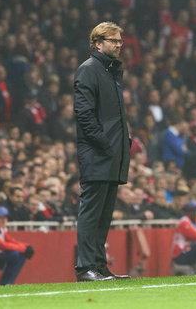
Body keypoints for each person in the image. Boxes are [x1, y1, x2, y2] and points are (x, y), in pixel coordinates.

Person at [73, 22, 131, 282]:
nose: (119, 45)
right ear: (97, 43)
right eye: (113, 40)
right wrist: (106, 144)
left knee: (103, 216)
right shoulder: (89, 70)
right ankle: (85, 268)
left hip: (111, 155)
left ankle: (98, 266)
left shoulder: (109, 72)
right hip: (98, 154)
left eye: (120, 41)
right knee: (91, 214)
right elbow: (83, 114)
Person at [0, 206, 34, 285]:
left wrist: (26, 246)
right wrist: (24, 248)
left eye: (5, 218)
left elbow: (11, 240)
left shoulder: (1, 229)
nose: (3, 220)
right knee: (14, 254)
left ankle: (8, 283)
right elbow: (1, 245)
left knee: (21, 253)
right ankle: (3, 284)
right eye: (0, 218)